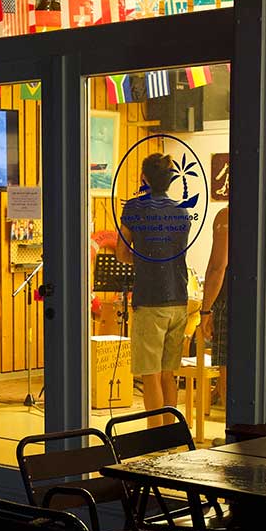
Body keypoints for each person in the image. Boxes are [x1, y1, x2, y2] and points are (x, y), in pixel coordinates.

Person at [118, 152, 193, 413]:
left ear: (143, 177)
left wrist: (140, 260)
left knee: (150, 375)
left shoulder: (134, 208)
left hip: (150, 300)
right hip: (179, 299)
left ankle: (155, 434)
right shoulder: (182, 211)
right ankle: (170, 432)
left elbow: (122, 252)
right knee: (168, 374)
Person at [198, 206, 230, 425]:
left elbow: (217, 267)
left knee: (228, 369)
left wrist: (205, 310)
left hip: (229, 300)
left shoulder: (226, 215)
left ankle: (233, 431)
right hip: (262, 302)